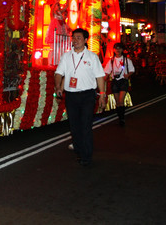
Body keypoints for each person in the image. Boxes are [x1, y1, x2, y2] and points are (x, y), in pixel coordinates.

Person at [54, 28, 107, 167]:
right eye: (74, 38)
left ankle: (86, 156)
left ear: (85, 40)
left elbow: (100, 77)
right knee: (74, 125)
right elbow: (58, 73)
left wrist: (102, 94)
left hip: (87, 96)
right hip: (71, 96)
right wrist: (58, 86)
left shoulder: (92, 57)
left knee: (85, 125)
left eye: (78, 38)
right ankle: (78, 147)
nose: (75, 40)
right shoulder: (66, 56)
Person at [104, 42, 135, 126]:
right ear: (113, 50)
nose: (117, 50)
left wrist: (127, 75)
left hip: (123, 81)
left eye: (119, 48)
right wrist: (103, 81)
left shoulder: (126, 60)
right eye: (116, 48)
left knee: (121, 100)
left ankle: (122, 119)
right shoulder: (111, 60)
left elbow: (132, 69)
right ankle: (120, 116)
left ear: (122, 50)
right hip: (115, 81)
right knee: (118, 102)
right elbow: (106, 72)